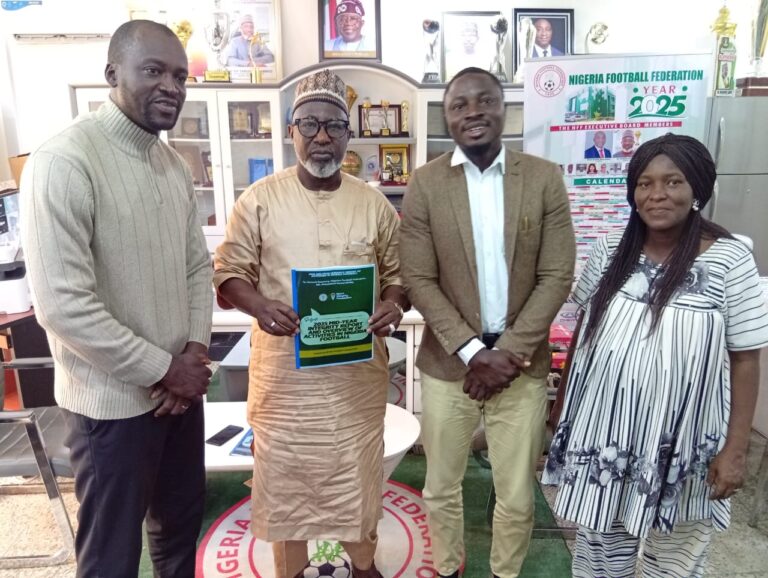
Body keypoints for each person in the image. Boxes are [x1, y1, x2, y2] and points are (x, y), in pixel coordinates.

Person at [20, 20, 213, 576]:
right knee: (111, 556)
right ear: (112, 74)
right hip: (110, 408)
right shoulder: (64, 161)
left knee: (179, 536)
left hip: (179, 398)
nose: (171, 86)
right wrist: (165, 370)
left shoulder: (173, 166)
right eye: (154, 71)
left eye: (180, 76)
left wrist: (194, 355)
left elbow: (196, 268)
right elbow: (62, 305)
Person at [544, 134, 768, 578]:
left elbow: (746, 358)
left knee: (675, 561)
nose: (657, 194)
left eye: (673, 181)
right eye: (645, 183)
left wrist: (736, 449)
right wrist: (561, 409)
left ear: (697, 188)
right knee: (601, 555)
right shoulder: (610, 250)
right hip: (604, 438)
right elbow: (583, 333)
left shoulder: (731, 259)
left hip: (687, 443)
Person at [213, 69, 408, 578]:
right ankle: (291, 570)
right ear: (290, 131)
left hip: (354, 382)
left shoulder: (373, 203)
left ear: (349, 135)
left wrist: (392, 304)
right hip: (286, 383)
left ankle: (362, 565)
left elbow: (398, 276)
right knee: (286, 482)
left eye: (334, 125)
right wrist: (260, 306)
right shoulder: (258, 199)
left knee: (357, 476)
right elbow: (228, 273)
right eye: (309, 124)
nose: (322, 136)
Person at [399, 67, 576, 578]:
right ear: (447, 117)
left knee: (517, 495)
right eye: (459, 105)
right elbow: (418, 277)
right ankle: (447, 568)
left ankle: (504, 573)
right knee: (440, 486)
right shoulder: (426, 183)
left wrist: (508, 353)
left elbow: (556, 274)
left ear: (503, 109)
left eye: (485, 101)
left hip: (520, 367)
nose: (473, 112)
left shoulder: (543, 178)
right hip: (448, 364)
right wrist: (474, 353)